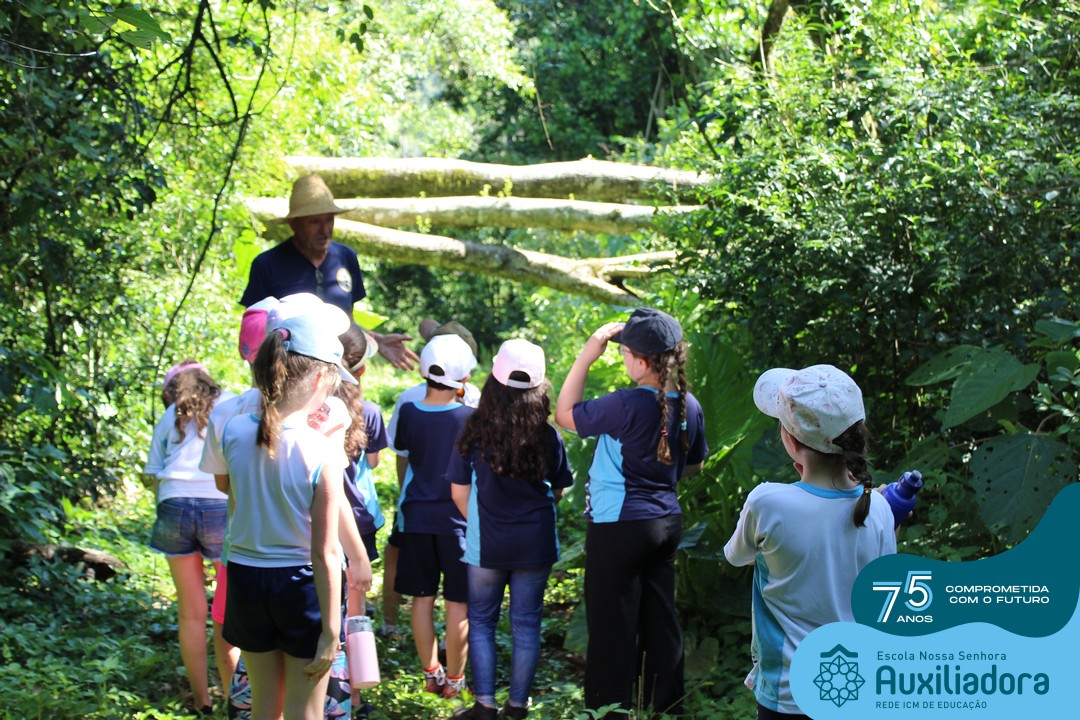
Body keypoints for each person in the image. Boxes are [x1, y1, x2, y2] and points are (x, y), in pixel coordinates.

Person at [554, 307, 709, 717]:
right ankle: (667, 708)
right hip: (666, 524)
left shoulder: (625, 404)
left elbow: (564, 415)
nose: (622, 359)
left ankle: (609, 712)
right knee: (661, 621)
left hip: (619, 528)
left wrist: (588, 354)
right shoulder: (690, 405)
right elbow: (694, 466)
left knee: (611, 629)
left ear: (641, 363)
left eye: (624, 354)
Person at [723, 365, 897, 720]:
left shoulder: (768, 502)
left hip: (788, 694)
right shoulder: (878, 508)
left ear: (791, 441)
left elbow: (736, 556)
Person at [214, 301, 357, 720]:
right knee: (304, 711)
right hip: (300, 587)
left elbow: (235, 501)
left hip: (245, 579)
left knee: (263, 707)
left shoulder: (234, 431)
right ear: (320, 379)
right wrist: (331, 631)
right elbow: (326, 552)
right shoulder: (320, 450)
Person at [448, 339, 574, 720]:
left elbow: (458, 492)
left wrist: (482, 523)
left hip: (487, 545)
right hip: (535, 543)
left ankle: (485, 705)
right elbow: (559, 490)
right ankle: (517, 707)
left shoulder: (475, 431)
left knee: (482, 622)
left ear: (493, 382)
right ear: (539, 388)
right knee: (526, 624)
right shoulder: (548, 435)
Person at [239, 174, 418, 370]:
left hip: (343, 368)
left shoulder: (346, 257)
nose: (324, 230)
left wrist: (376, 339)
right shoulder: (267, 264)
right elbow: (254, 330)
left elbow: (348, 320)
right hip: (288, 372)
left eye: (329, 220)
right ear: (293, 224)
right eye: (314, 222)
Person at [143, 360, 235, 716]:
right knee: (226, 611)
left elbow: (154, 472)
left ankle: (202, 702)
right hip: (218, 504)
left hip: (174, 503)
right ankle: (235, 699)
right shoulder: (229, 406)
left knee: (191, 612)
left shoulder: (171, 416)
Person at [381, 318, 481, 640]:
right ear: (465, 372)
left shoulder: (409, 403)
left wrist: (405, 495)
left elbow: (402, 454)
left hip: (417, 506)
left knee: (418, 590)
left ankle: (393, 625)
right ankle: (455, 665)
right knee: (458, 600)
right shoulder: (473, 404)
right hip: (460, 514)